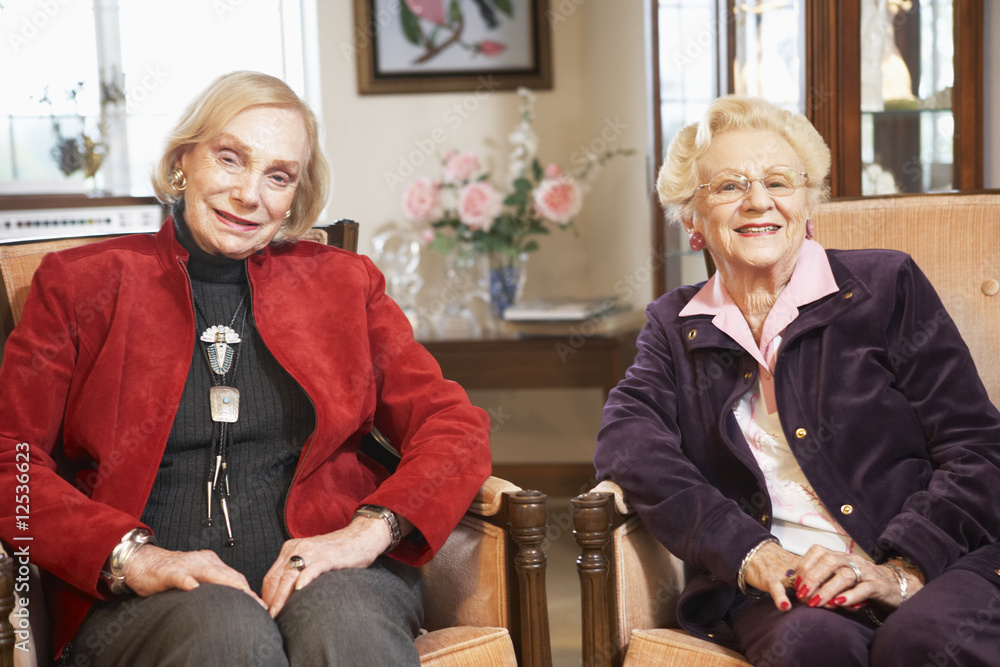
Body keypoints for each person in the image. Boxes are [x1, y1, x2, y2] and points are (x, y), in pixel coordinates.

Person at [0, 70, 492, 666]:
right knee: (228, 631)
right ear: (184, 160)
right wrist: (134, 557)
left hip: (328, 570)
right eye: (230, 159)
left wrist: (366, 531)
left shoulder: (342, 283)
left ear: (295, 196)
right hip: (148, 595)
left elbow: (455, 427)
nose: (249, 195)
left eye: (277, 176)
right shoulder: (82, 284)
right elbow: (11, 458)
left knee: (347, 626)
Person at [594, 95, 1000, 666]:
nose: (758, 201)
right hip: (782, 582)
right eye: (730, 186)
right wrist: (750, 552)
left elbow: (978, 448)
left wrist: (901, 569)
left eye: (779, 181)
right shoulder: (674, 325)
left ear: (808, 203)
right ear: (693, 218)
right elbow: (628, 444)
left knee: (921, 641)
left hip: (935, 559)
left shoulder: (886, 287)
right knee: (810, 646)